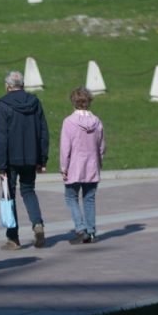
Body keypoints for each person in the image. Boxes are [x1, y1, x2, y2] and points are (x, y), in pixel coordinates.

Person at [0, 70, 49, 251]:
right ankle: (37, 223)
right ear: (22, 85)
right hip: (31, 156)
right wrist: (42, 159)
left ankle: (13, 238)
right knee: (29, 190)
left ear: (8, 86)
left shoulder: (2, 105)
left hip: (10, 158)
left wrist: (1, 164)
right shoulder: (35, 102)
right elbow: (43, 131)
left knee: (9, 195)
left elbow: (1, 137)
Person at [60, 87, 105, 245]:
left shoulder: (69, 122)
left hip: (74, 167)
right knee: (89, 199)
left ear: (73, 102)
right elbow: (101, 146)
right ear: (89, 102)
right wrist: (100, 161)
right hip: (92, 166)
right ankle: (91, 231)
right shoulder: (97, 121)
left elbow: (66, 148)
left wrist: (63, 167)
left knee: (71, 197)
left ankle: (80, 229)